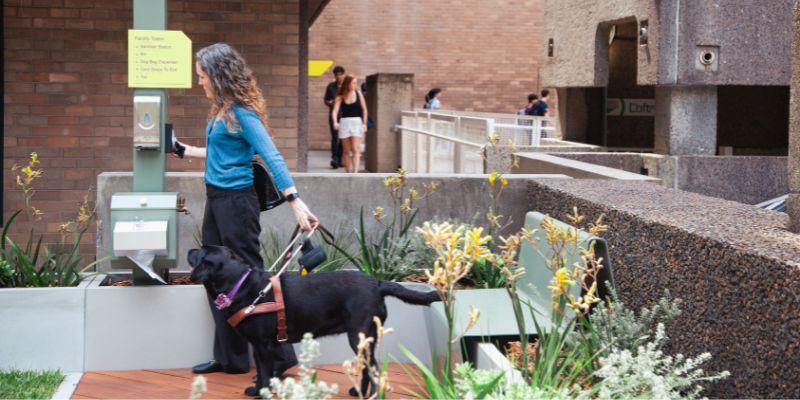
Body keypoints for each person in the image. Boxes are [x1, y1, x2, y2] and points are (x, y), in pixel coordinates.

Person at [174, 43, 318, 382]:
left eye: (203, 76)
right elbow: (221, 151)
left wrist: (295, 200)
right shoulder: (222, 110)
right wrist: (184, 150)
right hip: (216, 200)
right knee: (213, 276)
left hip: (237, 204)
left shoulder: (243, 113)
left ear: (219, 75)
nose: (200, 82)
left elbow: (272, 155)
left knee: (253, 280)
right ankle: (232, 358)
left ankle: (281, 358)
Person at [331, 74, 368, 173]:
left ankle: (355, 173)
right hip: (345, 123)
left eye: (356, 83)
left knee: (355, 149)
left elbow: (364, 110)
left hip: (356, 123)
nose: (355, 85)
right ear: (347, 84)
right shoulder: (340, 96)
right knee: (346, 150)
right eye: (353, 83)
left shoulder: (359, 94)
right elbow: (335, 111)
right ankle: (348, 173)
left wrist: (364, 123)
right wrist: (335, 122)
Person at [324, 66, 346, 169]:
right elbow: (326, 100)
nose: (338, 77)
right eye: (336, 75)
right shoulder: (331, 86)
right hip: (334, 115)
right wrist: (330, 103)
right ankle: (335, 158)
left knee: (343, 137)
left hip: (345, 115)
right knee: (335, 136)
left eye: (340, 75)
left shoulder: (347, 87)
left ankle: (339, 159)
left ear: (343, 75)